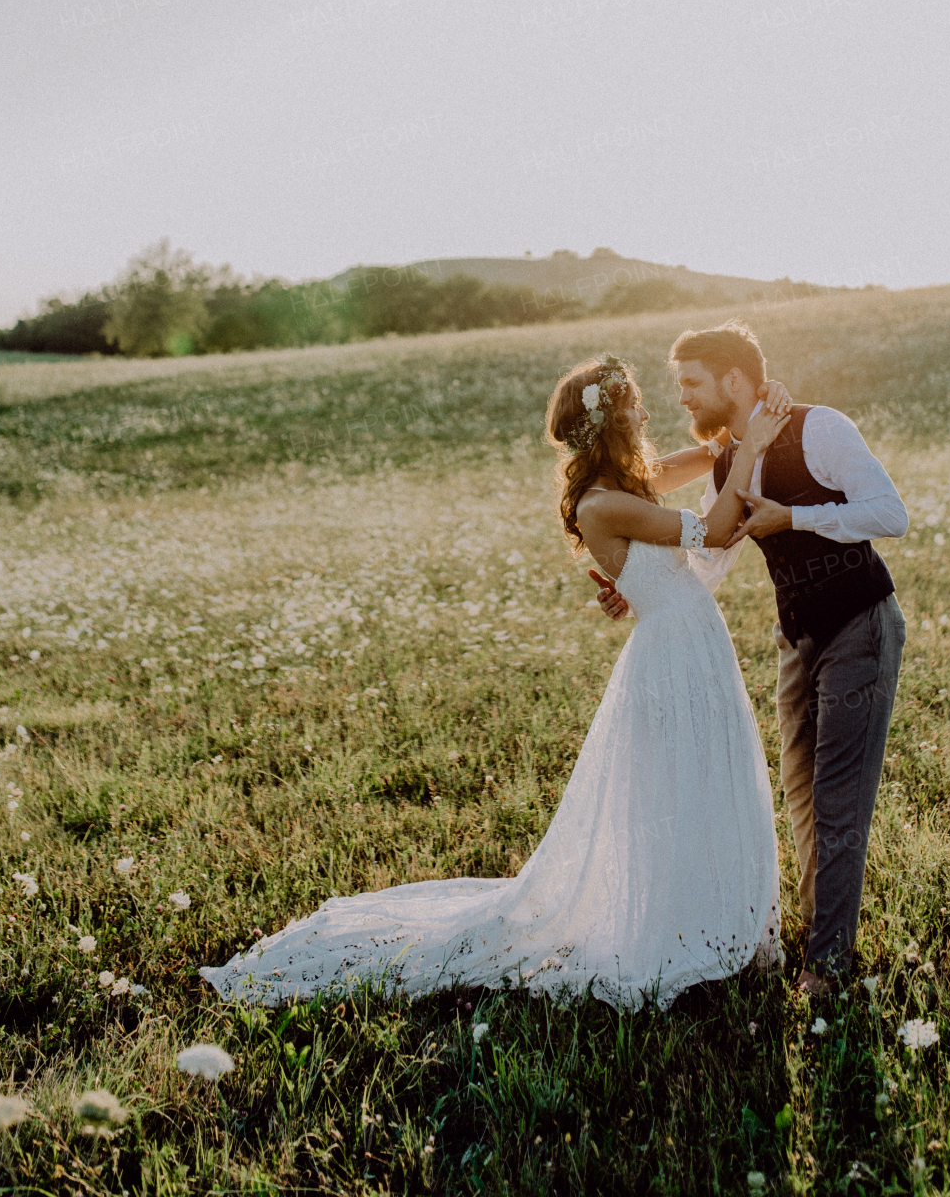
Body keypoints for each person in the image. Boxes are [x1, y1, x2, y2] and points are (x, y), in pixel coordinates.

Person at [200, 355, 790, 1009]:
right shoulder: (602, 504)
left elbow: (691, 464)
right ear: (608, 426)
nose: (648, 416)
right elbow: (709, 529)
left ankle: (707, 915)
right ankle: (681, 928)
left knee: (705, 777)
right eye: (635, 409)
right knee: (678, 786)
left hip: (690, 639)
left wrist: (737, 433)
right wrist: (752, 447)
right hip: (672, 648)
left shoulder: (626, 483)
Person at [595, 322, 908, 998]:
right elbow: (714, 552)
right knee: (799, 794)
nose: (683, 398)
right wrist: (640, 591)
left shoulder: (819, 429)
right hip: (796, 637)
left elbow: (890, 513)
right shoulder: (723, 463)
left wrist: (794, 519)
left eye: (692, 384)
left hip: (860, 624)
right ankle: (820, 932)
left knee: (836, 801)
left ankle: (826, 969)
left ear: (734, 381)